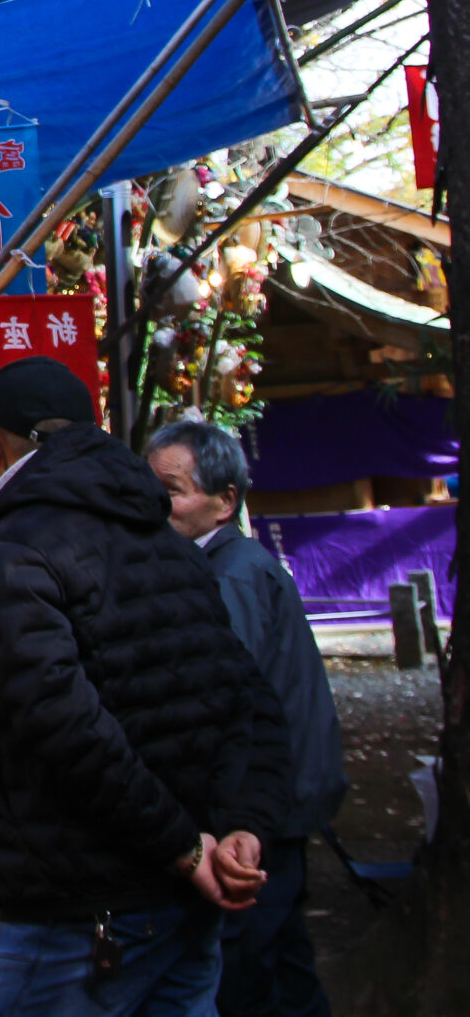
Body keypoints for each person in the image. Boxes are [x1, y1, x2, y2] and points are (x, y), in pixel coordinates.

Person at [0, 357, 292, 1017]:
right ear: (95, 429)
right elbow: (245, 696)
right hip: (180, 884)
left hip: (87, 904)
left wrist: (191, 844)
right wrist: (234, 829)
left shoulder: (13, 551)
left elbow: (65, 725)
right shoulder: (165, 539)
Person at [148, 419, 345, 1017]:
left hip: (267, 805)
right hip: (282, 792)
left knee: (251, 966)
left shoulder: (230, 573)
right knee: (284, 958)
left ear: (224, 500)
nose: (161, 507)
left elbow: (222, 697)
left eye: (174, 491)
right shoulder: (225, 564)